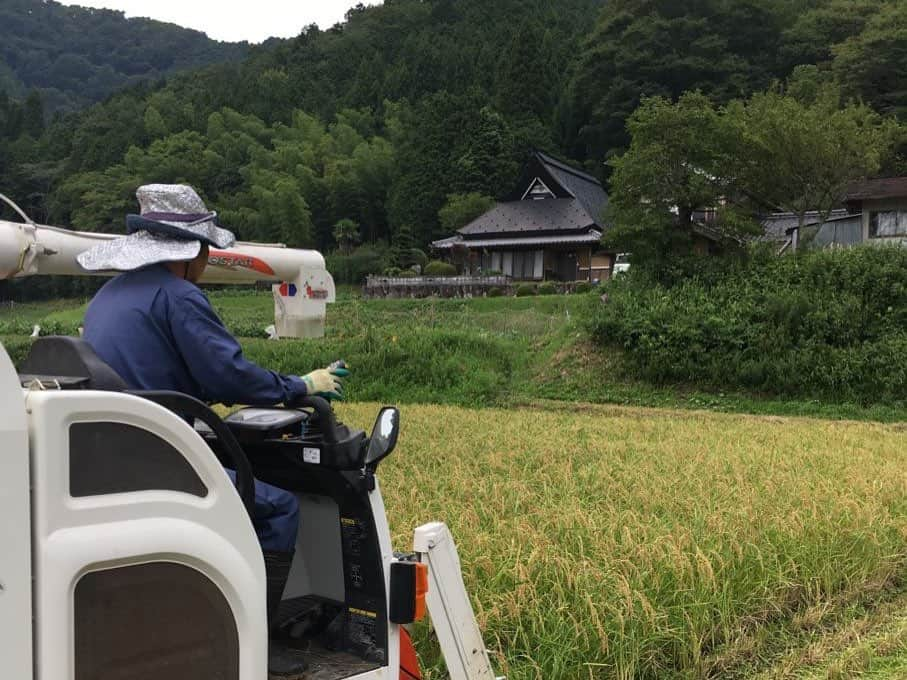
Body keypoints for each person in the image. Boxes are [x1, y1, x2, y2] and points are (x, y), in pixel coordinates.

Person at [77, 183, 346, 677]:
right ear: (193, 251)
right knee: (280, 508)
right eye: (206, 248)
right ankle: (254, 642)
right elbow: (228, 374)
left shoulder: (108, 296)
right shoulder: (179, 296)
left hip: (108, 455)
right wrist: (300, 384)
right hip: (156, 457)